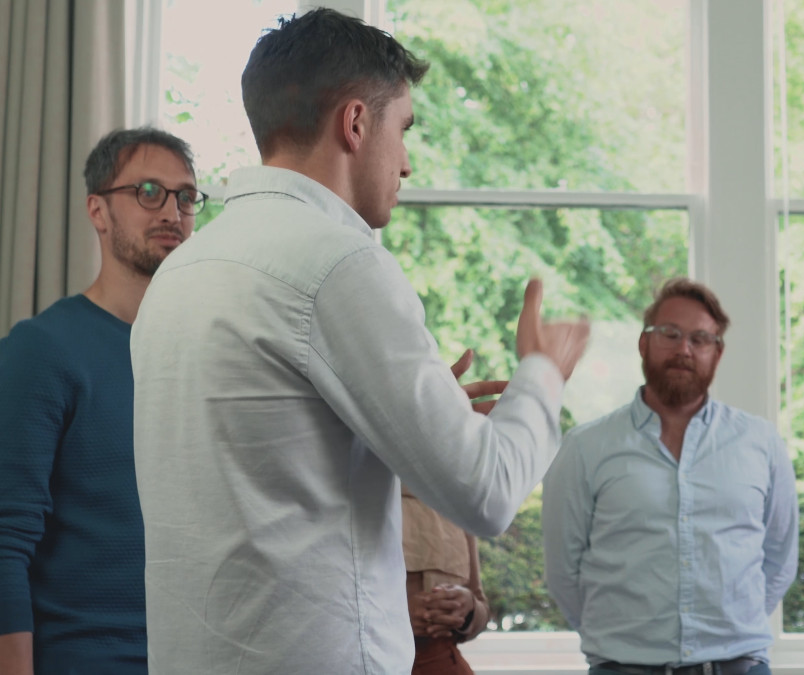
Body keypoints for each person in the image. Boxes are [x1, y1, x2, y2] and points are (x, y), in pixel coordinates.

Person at [129, 8, 589, 675]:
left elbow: (261, 458)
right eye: (403, 129)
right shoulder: (339, 263)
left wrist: (406, 411)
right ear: (354, 123)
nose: (406, 162)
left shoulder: (181, 272)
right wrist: (543, 372)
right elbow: (486, 492)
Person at [0, 127, 201, 674]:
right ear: (98, 210)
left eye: (186, 196)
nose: (172, 212)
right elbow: (5, 540)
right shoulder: (41, 350)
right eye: (148, 192)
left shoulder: (205, 355)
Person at [542, 278, 799, 675]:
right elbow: (564, 571)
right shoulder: (585, 448)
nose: (684, 349)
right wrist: (622, 646)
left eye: (700, 339)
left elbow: (780, 558)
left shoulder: (761, 442)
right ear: (643, 343)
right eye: (670, 334)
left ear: (717, 352)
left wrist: (730, 631)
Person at [404, 349, 494, 675]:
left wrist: (466, 610)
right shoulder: (363, 483)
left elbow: (480, 603)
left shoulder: (453, 492)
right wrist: (394, 614)